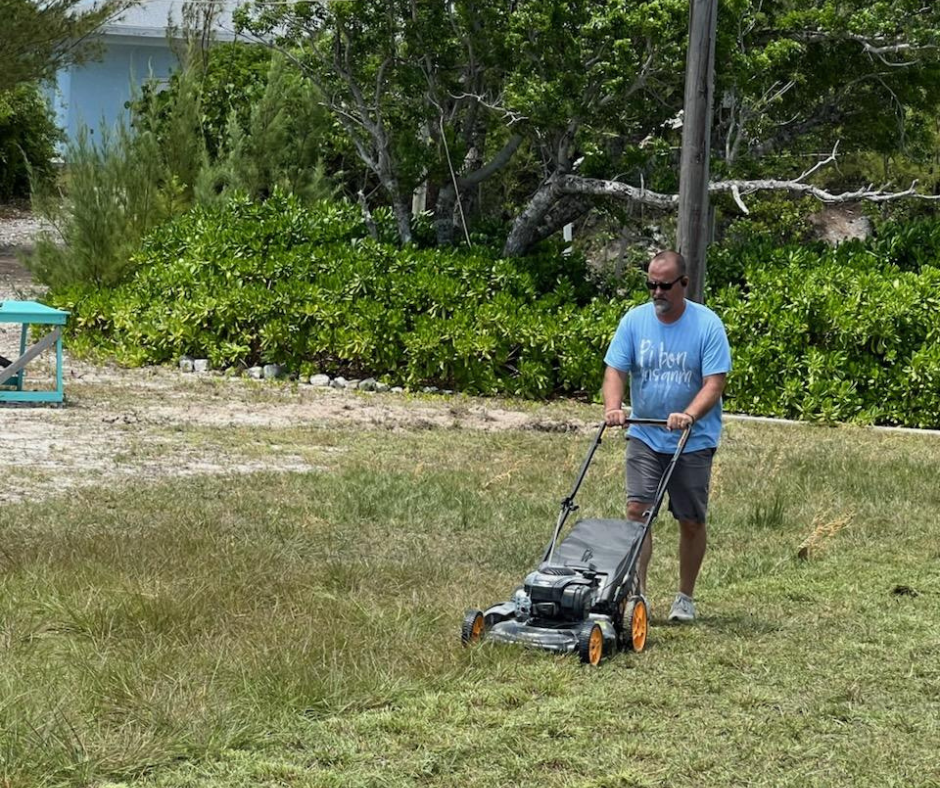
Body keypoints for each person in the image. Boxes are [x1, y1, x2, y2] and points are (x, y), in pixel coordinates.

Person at [602, 250, 731, 622]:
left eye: (664, 286)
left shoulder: (707, 325)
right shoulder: (634, 321)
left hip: (693, 439)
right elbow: (615, 370)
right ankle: (637, 596)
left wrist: (689, 415)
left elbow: (714, 383)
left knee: (690, 520)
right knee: (637, 512)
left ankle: (685, 598)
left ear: (684, 284)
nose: (657, 292)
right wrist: (614, 407)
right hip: (645, 434)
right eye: (651, 285)